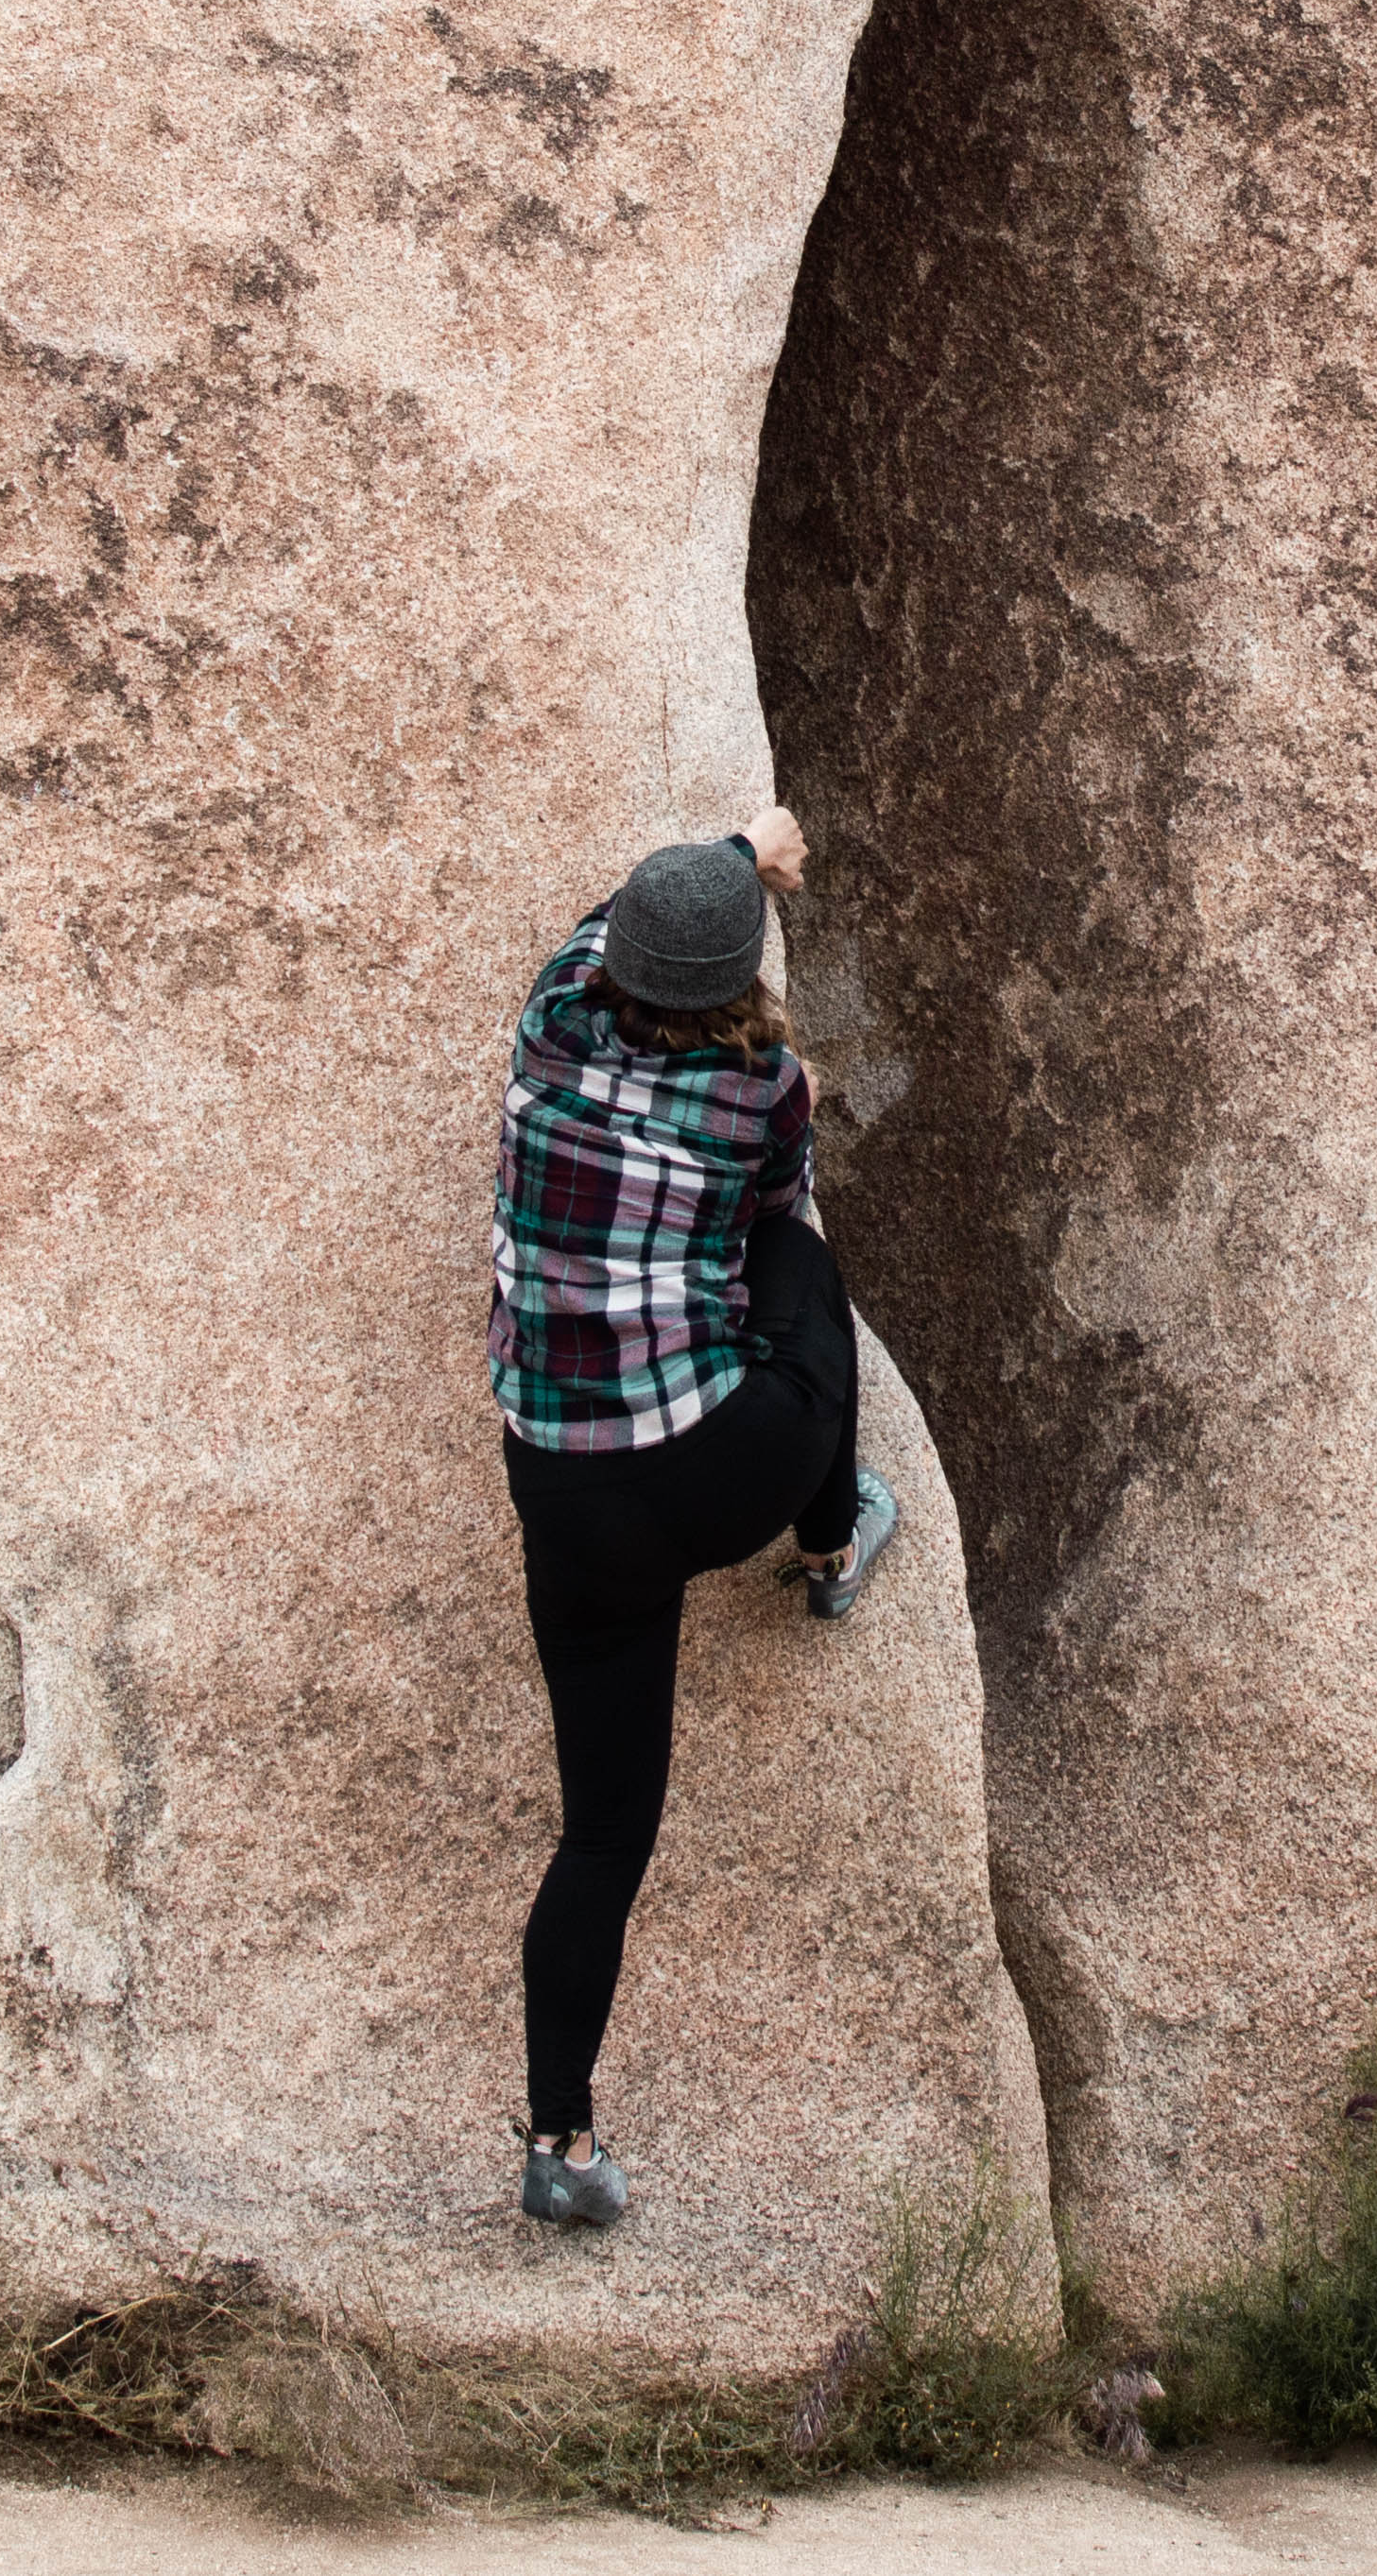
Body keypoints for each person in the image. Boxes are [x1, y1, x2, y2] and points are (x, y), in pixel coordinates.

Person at [485, 807, 904, 2229]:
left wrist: (732, 845)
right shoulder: (758, 1092)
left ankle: (561, 2144)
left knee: (600, 1835)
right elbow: (771, 1223)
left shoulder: (551, 1016)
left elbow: (620, 907)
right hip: (709, 1473)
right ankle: (834, 1540)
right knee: (809, 1283)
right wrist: (761, 854)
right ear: (738, 978)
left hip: (565, 1495)